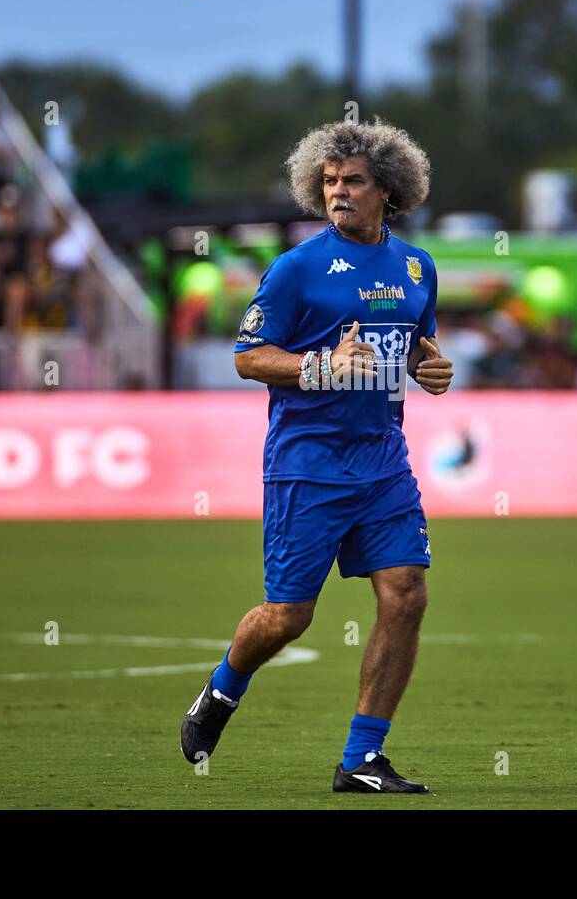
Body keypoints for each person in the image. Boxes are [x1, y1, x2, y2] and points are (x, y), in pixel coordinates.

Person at [181, 119, 452, 794]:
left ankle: (362, 758)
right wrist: (321, 365)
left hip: (383, 461)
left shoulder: (417, 266)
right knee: (289, 616)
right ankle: (223, 688)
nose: (338, 192)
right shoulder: (296, 269)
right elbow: (248, 357)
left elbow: (414, 346)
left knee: (407, 594)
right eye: (329, 181)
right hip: (308, 463)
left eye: (353, 181)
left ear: (387, 190)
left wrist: (429, 367)